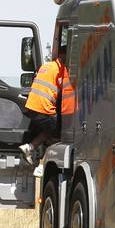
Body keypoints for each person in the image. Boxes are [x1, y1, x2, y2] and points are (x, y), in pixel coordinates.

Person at [19, 33, 73, 164]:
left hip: (31, 106)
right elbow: (66, 92)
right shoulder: (61, 70)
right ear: (64, 56)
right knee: (58, 130)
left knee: (49, 129)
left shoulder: (46, 66)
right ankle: (32, 149)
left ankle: (37, 149)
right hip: (43, 108)